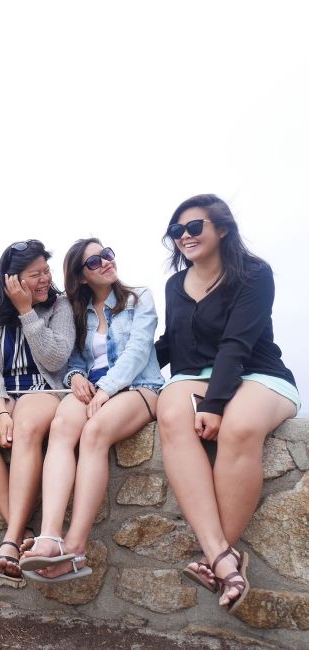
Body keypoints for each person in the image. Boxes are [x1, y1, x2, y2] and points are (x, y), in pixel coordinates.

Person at [154, 194, 300, 614]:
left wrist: (215, 403)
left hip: (258, 373)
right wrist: (113, 377)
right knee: (170, 411)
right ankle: (223, 557)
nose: (184, 236)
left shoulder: (254, 274)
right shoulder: (173, 286)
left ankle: (219, 554)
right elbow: (173, 343)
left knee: (237, 427)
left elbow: (237, 344)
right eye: (176, 231)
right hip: (194, 376)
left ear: (222, 228)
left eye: (194, 227)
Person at [18, 239, 163, 582]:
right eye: (94, 261)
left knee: (95, 432)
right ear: (81, 277)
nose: (106, 262)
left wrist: (107, 389)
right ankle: (50, 538)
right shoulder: (74, 309)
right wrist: (77, 376)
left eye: (107, 254)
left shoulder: (140, 298)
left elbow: (138, 352)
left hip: (138, 386)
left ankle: (75, 548)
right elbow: (74, 357)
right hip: (92, 387)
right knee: (62, 427)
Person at [0, 240, 73, 582]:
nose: (44, 280)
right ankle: (21, 529)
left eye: (46, 271)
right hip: (2, 391)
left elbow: (56, 358)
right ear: (12, 279)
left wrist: (27, 312)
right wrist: (0, 412)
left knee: (26, 426)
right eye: (34, 274)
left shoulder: (59, 307)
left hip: (44, 386)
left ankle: (10, 541)